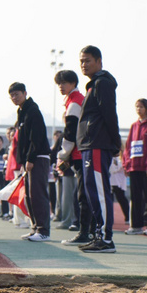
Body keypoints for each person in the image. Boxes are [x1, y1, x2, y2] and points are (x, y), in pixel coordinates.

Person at [76, 45, 121, 253]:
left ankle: (106, 239)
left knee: (99, 192)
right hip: (89, 145)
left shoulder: (102, 83)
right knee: (92, 191)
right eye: (81, 61)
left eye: (87, 60)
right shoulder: (93, 85)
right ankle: (98, 235)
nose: (83, 65)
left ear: (99, 61)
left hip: (97, 145)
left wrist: (115, 141)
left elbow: (110, 114)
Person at [54, 70, 94, 246]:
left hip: (80, 153)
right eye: (59, 84)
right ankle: (90, 232)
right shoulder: (75, 100)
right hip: (82, 152)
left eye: (64, 83)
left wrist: (64, 154)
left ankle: (85, 233)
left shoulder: (75, 103)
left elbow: (71, 133)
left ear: (73, 83)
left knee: (83, 195)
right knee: (85, 194)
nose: (61, 87)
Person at [9, 82, 51, 242]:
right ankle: (35, 228)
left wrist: (30, 158)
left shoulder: (33, 111)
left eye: (17, 94)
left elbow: (37, 137)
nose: (14, 98)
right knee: (29, 196)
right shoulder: (22, 112)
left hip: (38, 158)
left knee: (38, 194)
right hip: (29, 160)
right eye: (11, 95)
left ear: (25, 93)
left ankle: (43, 230)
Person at [122, 98, 147, 236]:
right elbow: (128, 147)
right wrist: (126, 165)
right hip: (134, 167)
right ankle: (136, 226)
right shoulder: (133, 126)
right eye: (136, 107)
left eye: (141, 107)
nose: (138, 109)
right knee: (135, 197)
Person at [110, 146, 130, 224]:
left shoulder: (122, 156)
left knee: (121, 199)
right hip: (110, 181)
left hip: (119, 182)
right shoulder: (109, 155)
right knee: (109, 200)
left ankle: (128, 217)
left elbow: (116, 168)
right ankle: (109, 218)